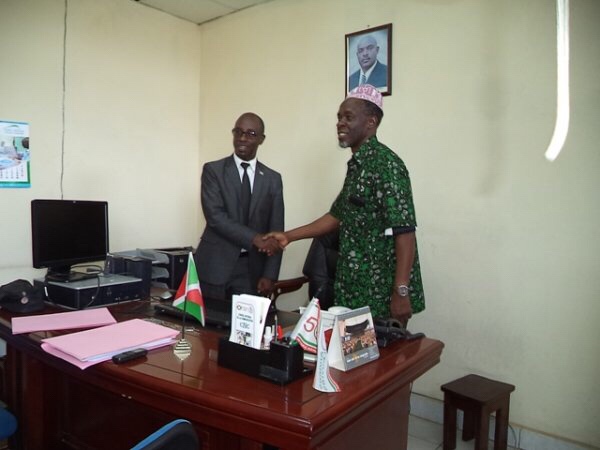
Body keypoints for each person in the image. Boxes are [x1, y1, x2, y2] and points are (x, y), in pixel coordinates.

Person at [265, 85, 424, 325]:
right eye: (339, 117)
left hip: (380, 294)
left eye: (348, 117)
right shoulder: (357, 166)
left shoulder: (387, 165)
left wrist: (401, 291)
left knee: (384, 351)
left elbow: (405, 231)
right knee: (351, 350)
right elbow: (336, 216)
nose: (340, 123)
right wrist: (289, 236)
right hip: (352, 289)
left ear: (371, 122)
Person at [194, 112, 283, 300]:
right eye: (238, 132)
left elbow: (276, 229)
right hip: (214, 265)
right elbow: (215, 217)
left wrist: (270, 274)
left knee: (244, 320)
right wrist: (255, 238)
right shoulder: (213, 171)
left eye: (251, 134)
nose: (242, 138)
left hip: (250, 270)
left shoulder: (272, 179)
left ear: (261, 139)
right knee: (209, 319)